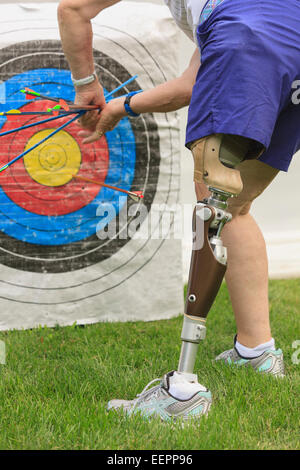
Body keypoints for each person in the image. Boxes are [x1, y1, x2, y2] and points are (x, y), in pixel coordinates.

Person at [57, 0, 300, 422]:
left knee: (213, 209)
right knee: (236, 209)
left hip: (246, 38)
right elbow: (196, 80)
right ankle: (256, 352)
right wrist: (123, 106)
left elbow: (73, 8)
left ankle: (183, 394)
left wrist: (86, 87)